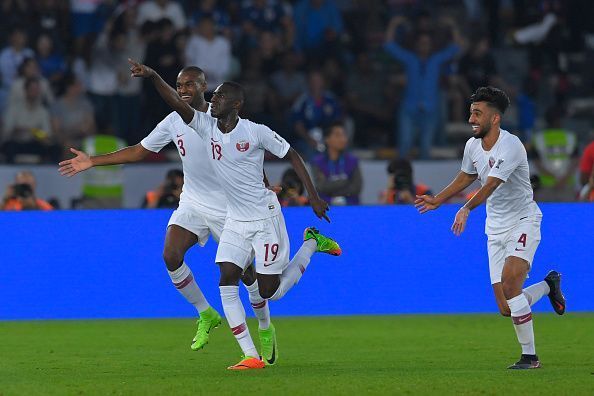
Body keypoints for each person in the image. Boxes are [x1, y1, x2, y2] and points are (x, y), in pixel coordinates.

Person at [58, 65, 312, 370]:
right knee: (171, 254)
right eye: (179, 85)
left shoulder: (216, 120)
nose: (183, 89)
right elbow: (139, 151)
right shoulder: (174, 122)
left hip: (229, 210)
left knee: (249, 279)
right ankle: (208, 314)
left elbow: (246, 153)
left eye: (189, 84)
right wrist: (93, 162)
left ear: (205, 87)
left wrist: (262, 184)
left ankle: (265, 326)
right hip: (192, 203)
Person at [128, 59, 341, 370]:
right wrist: (153, 76)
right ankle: (250, 355)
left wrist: (313, 196)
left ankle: (310, 244)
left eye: (219, 98)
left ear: (236, 104)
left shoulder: (256, 132)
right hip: (235, 220)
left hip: (265, 217)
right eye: (212, 97)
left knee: (271, 292)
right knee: (227, 278)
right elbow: (176, 103)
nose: (212, 101)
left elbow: (291, 154)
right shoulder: (205, 127)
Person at [414, 87, 566, 369]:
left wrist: (465, 208)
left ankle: (530, 357)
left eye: (477, 113)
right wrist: (438, 200)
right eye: (471, 112)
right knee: (507, 307)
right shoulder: (472, 146)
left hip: (523, 220)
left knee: (511, 284)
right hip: (494, 228)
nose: (471, 117)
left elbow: (491, 183)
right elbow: (467, 175)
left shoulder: (511, 145)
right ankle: (548, 285)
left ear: (495, 118)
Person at [311, 122, 362, 205]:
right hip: (325, 207)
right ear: (327, 139)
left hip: (351, 206)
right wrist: (344, 181)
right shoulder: (317, 162)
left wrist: (333, 192)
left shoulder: (353, 160)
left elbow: (356, 187)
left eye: (344, 135)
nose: (343, 139)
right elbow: (321, 186)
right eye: (338, 135)